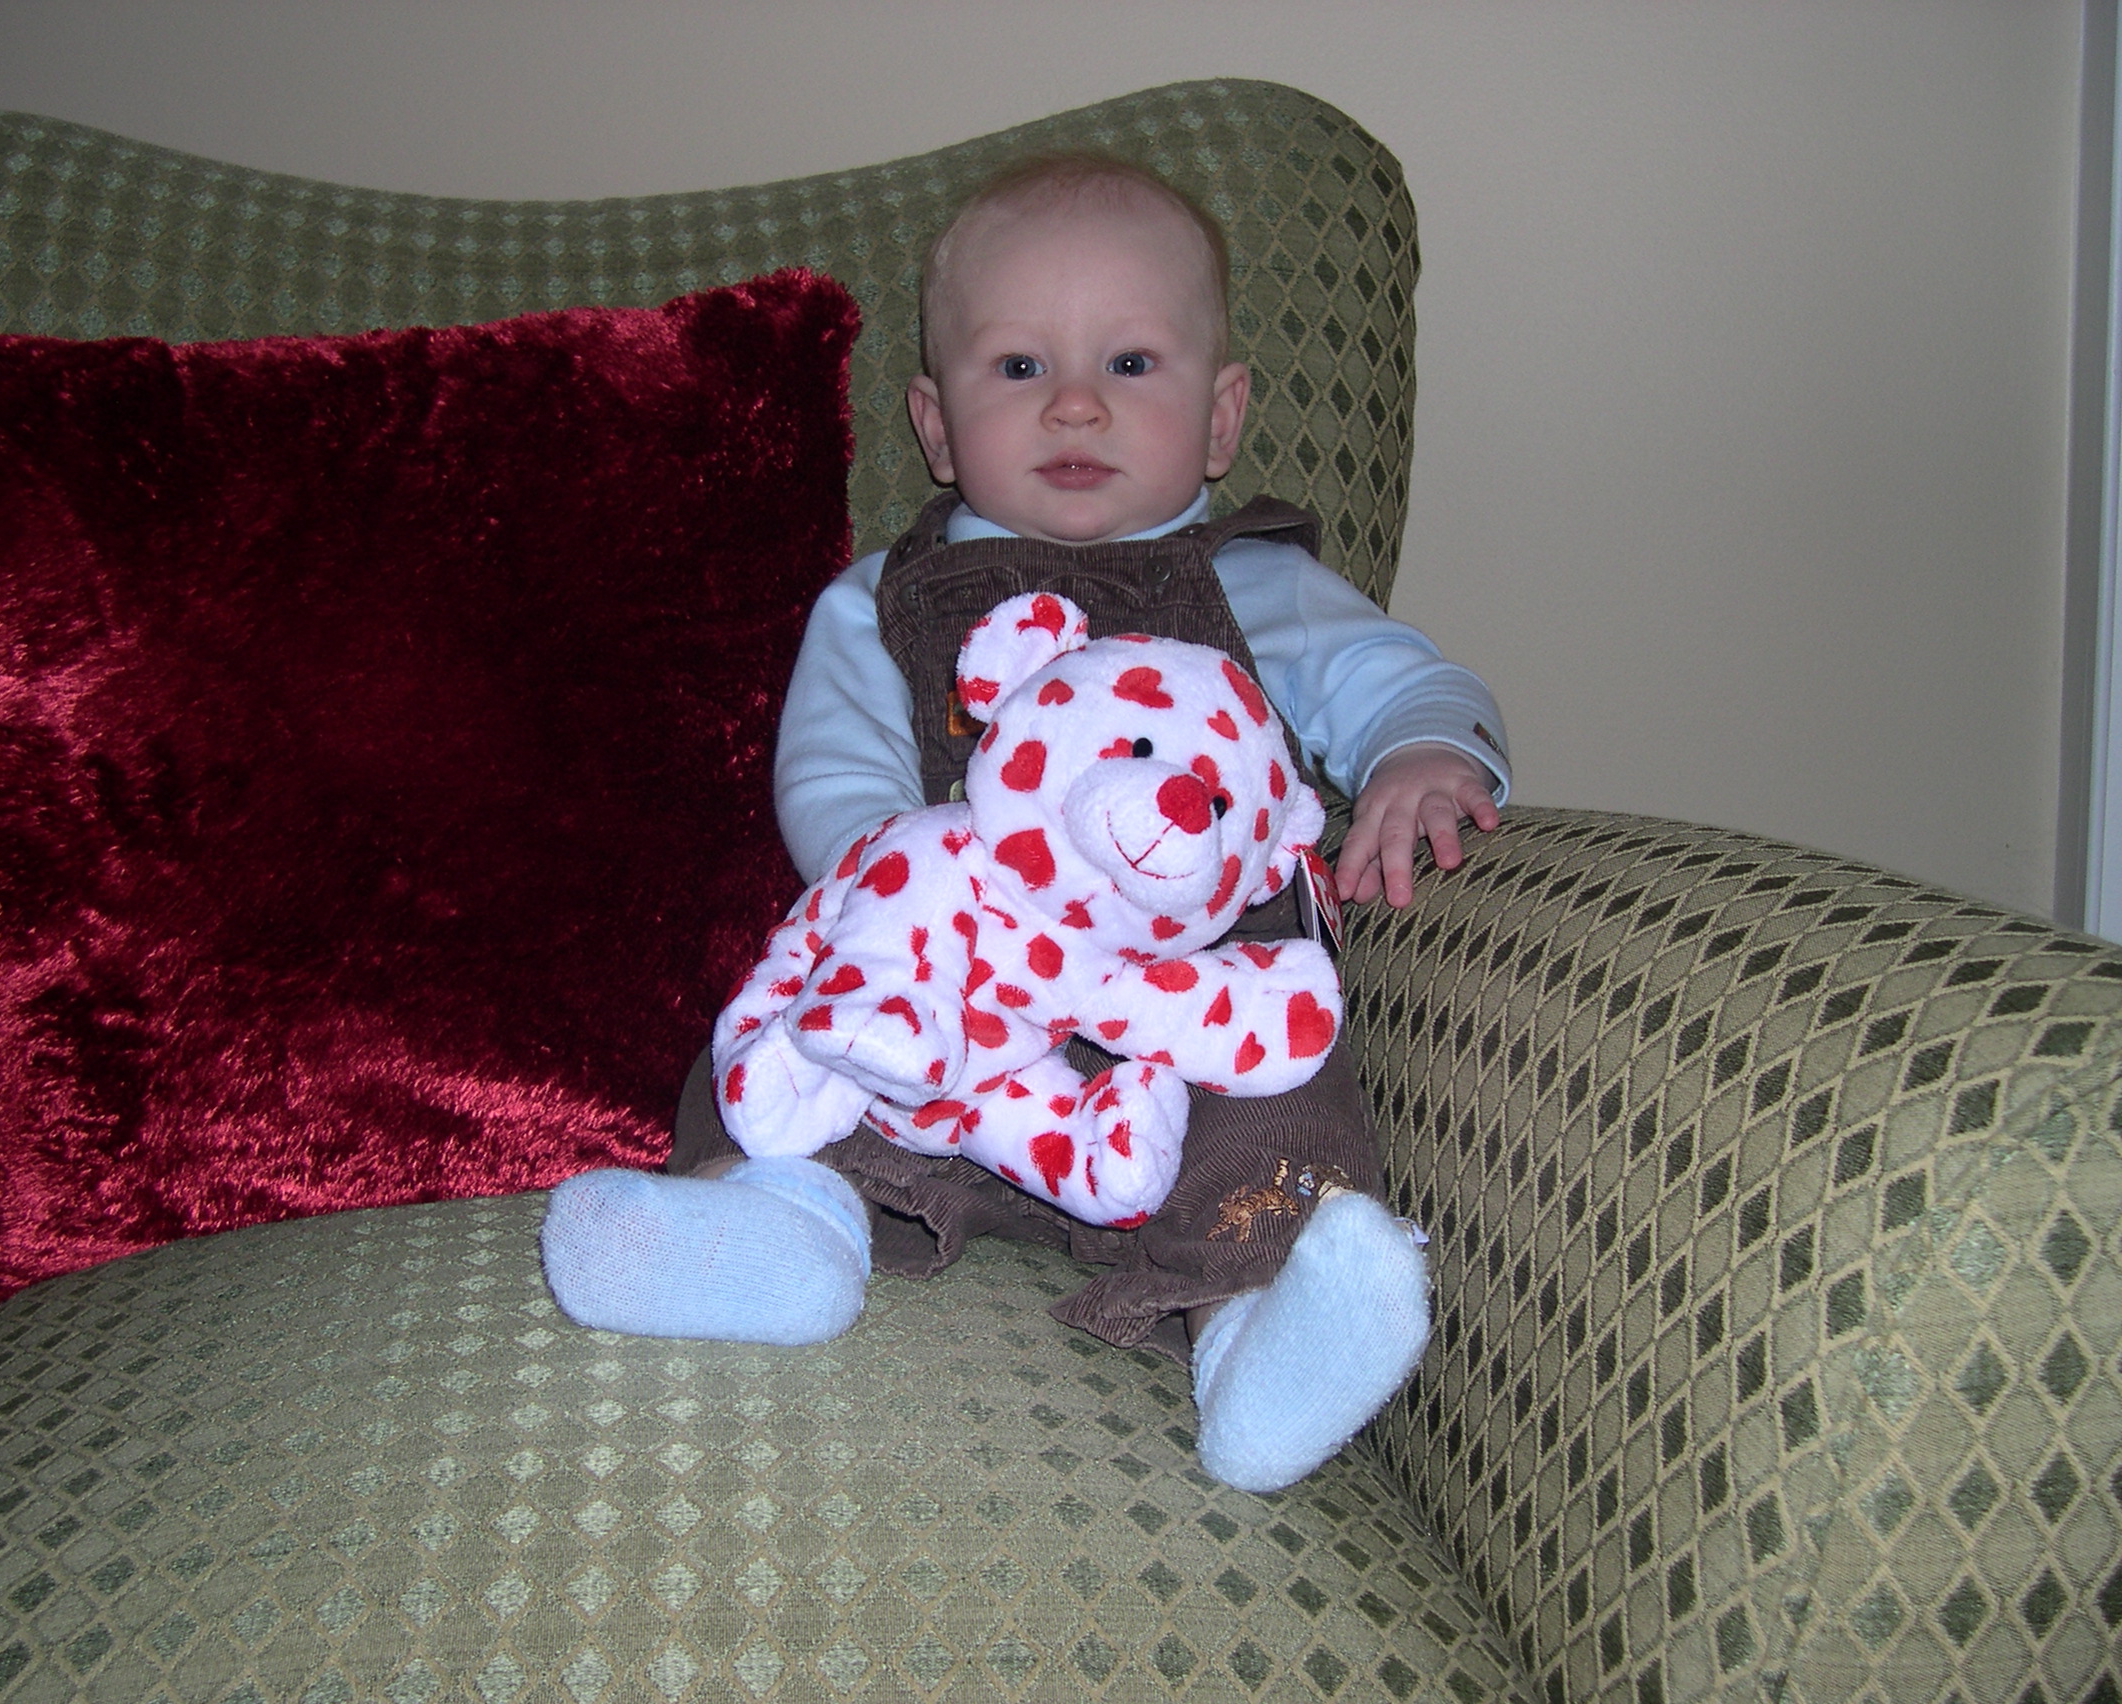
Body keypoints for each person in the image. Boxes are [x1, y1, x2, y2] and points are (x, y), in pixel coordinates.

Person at [543, 155, 1510, 1492]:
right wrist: (902, 895)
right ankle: (782, 1227)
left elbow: (1408, 684)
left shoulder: (1258, 584)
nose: (1071, 403)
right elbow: (831, 772)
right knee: (807, 1041)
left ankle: (1255, 1337)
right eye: (1015, 370)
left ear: (1221, 421)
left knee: (1282, 1109)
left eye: (1128, 364)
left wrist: (1420, 756)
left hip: (1183, 1003)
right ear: (936, 430)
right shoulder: (886, 599)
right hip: (956, 975)